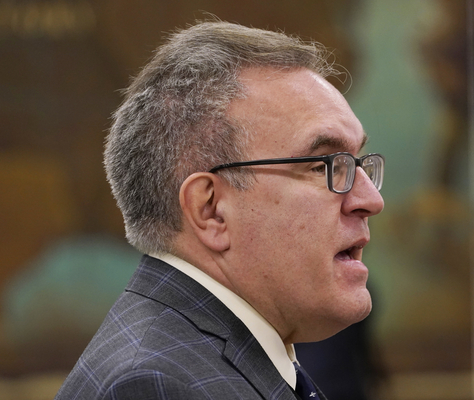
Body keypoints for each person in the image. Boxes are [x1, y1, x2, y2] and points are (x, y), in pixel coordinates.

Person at [55, 19, 384, 400]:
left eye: (358, 164)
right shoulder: (155, 385)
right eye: (322, 165)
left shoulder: (214, 358)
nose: (370, 200)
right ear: (210, 210)